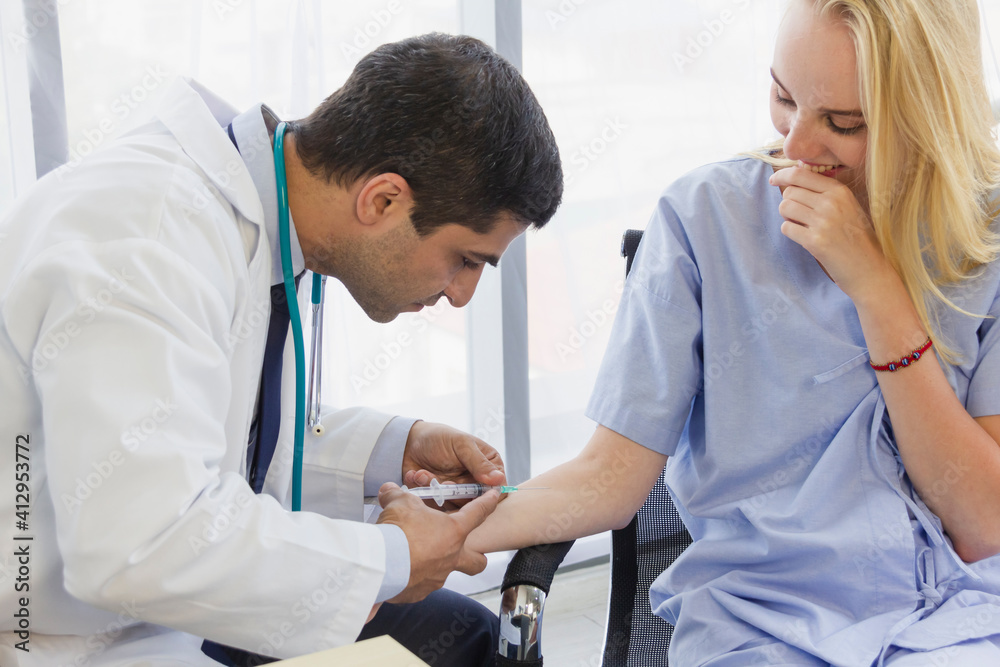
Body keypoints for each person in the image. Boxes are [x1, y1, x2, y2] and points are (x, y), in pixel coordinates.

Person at [462, 0, 1000, 664]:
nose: (796, 145)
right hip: (766, 627)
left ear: (930, 115)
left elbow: (985, 526)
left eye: (843, 122)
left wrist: (877, 292)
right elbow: (608, 475)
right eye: (783, 96)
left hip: (963, 619)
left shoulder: (987, 239)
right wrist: (440, 530)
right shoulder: (703, 223)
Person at [0, 33, 562, 666]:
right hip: (58, 634)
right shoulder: (145, 240)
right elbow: (140, 545)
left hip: (153, 605)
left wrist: (393, 450)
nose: (462, 296)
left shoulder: (261, 221)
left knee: (464, 638)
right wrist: (392, 556)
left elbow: (200, 444)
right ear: (381, 199)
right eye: (465, 259)